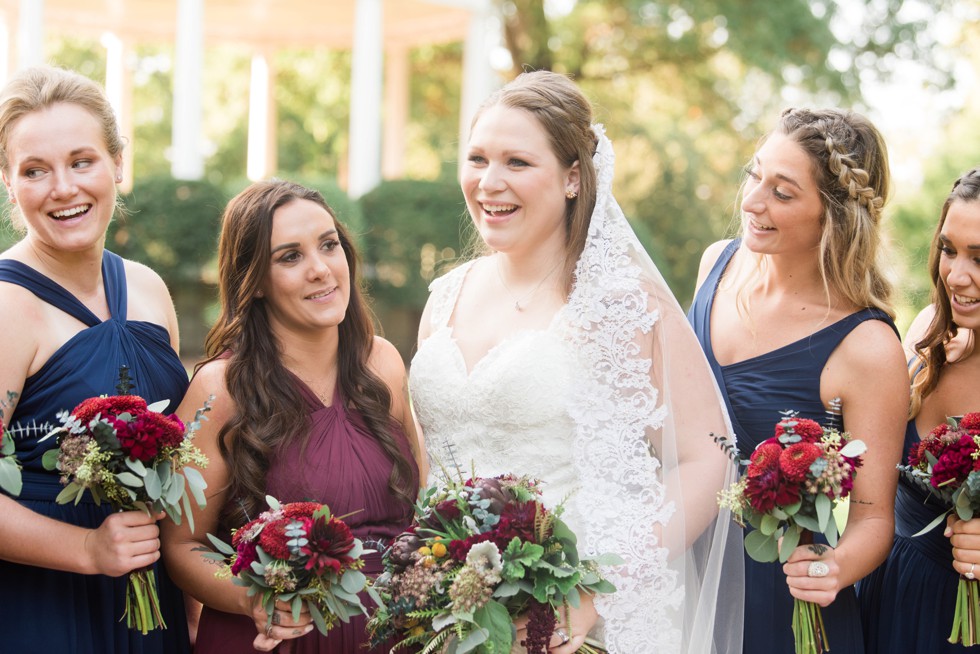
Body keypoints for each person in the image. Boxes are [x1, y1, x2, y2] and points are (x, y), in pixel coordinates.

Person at [410, 70, 743, 654]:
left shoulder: (620, 304)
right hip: (447, 612)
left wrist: (595, 590)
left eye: (517, 162)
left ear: (571, 177)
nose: (490, 182)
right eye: (478, 158)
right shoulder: (445, 298)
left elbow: (706, 456)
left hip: (577, 621)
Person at [160, 179, 422, 653]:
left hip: (391, 637)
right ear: (255, 281)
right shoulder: (221, 389)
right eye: (290, 257)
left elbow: (418, 513)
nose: (321, 270)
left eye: (328, 245)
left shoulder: (382, 363)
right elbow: (181, 546)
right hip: (278, 641)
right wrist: (255, 599)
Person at [688, 107, 909, 652]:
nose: (751, 202)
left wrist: (832, 568)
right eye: (753, 174)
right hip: (683, 571)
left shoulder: (867, 347)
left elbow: (876, 517)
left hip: (781, 602)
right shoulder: (716, 263)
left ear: (833, 216)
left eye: (782, 193)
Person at [0, 66, 191, 652]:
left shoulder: (149, 289)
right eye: (35, 171)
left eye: (82, 161)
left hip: (149, 600)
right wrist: (87, 550)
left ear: (117, 165)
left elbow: (177, 465)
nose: (63, 188)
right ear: (10, 186)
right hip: (43, 610)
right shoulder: (8, 308)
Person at [858, 167, 980, 652]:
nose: (957, 274)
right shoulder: (928, 333)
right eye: (949, 250)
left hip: (956, 621)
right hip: (882, 588)